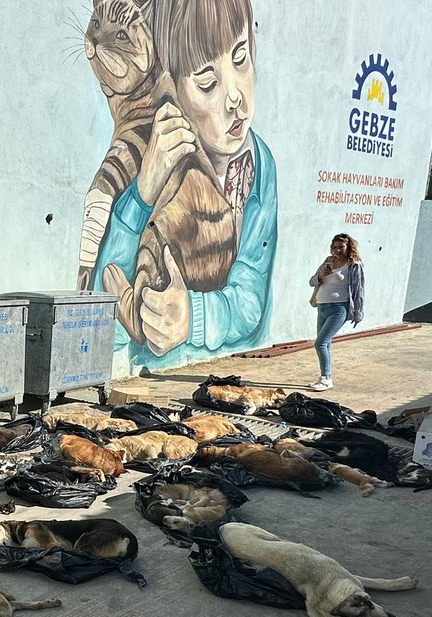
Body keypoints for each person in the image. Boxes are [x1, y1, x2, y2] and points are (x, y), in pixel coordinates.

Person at [91, 0, 277, 370]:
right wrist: (143, 191)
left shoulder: (259, 163)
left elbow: (250, 301)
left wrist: (192, 316)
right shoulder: (141, 152)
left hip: (235, 371)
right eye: (207, 83)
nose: (235, 98)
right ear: (171, 87)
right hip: (151, 376)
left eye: (241, 58)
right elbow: (100, 324)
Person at [307, 233, 365, 392]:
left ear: (348, 247)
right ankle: (324, 377)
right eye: (334, 247)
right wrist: (320, 275)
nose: (337, 250)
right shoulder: (328, 261)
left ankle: (326, 379)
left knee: (320, 343)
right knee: (325, 343)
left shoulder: (354, 265)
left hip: (339, 308)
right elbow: (312, 281)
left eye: (341, 247)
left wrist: (358, 312)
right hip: (322, 306)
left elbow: (359, 290)